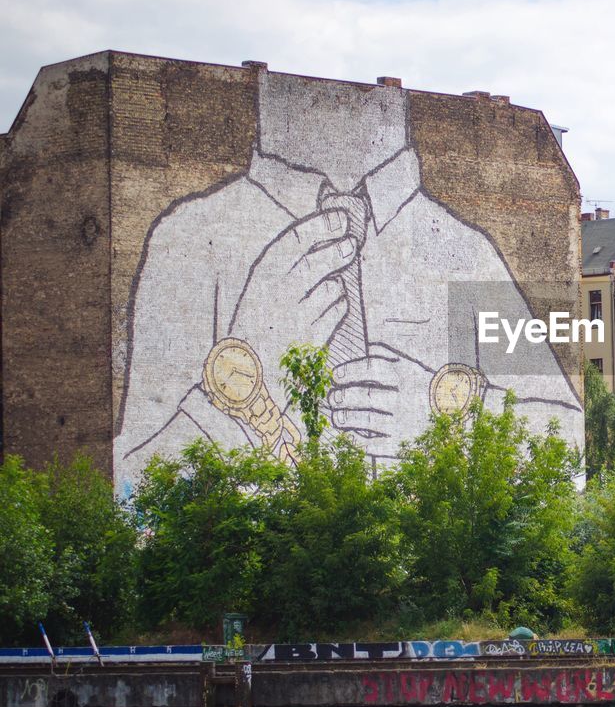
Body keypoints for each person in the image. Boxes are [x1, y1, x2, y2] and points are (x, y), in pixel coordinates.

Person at [114, 70, 580, 494]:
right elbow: (132, 495)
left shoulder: (465, 251)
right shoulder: (190, 239)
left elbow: (570, 452)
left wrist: (444, 417)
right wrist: (251, 384)